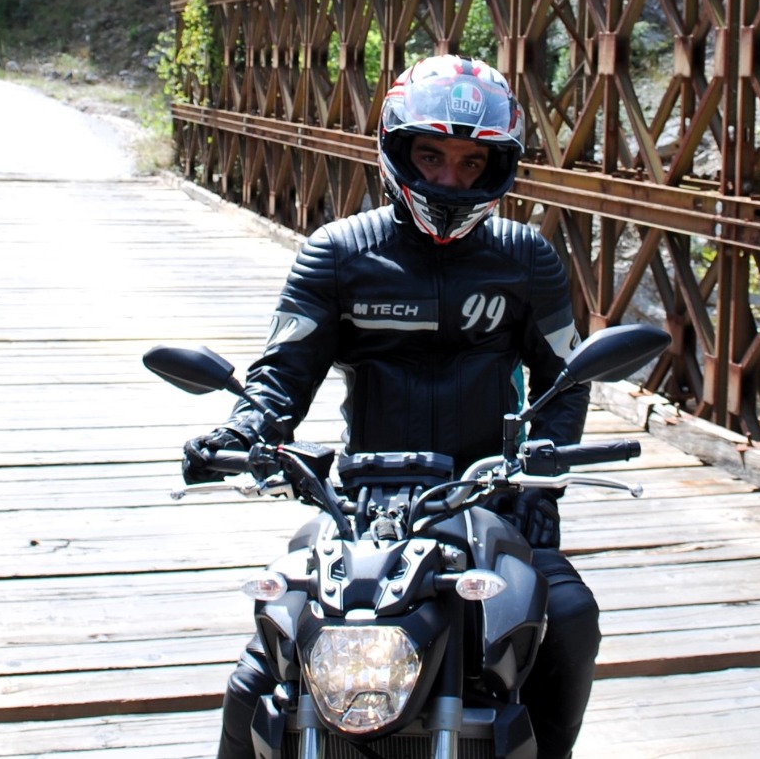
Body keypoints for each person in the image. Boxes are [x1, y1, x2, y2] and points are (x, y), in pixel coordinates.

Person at [182, 54, 599, 759]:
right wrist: (244, 428)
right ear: (396, 150)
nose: (450, 178)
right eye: (432, 156)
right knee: (262, 667)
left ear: (498, 167)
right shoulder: (338, 254)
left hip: (488, 497)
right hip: (358, 503)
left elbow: (567, 376)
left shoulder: (527, 258)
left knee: (570, 615)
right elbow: (282, 372)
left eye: (471, 162)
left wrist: (541, 476)